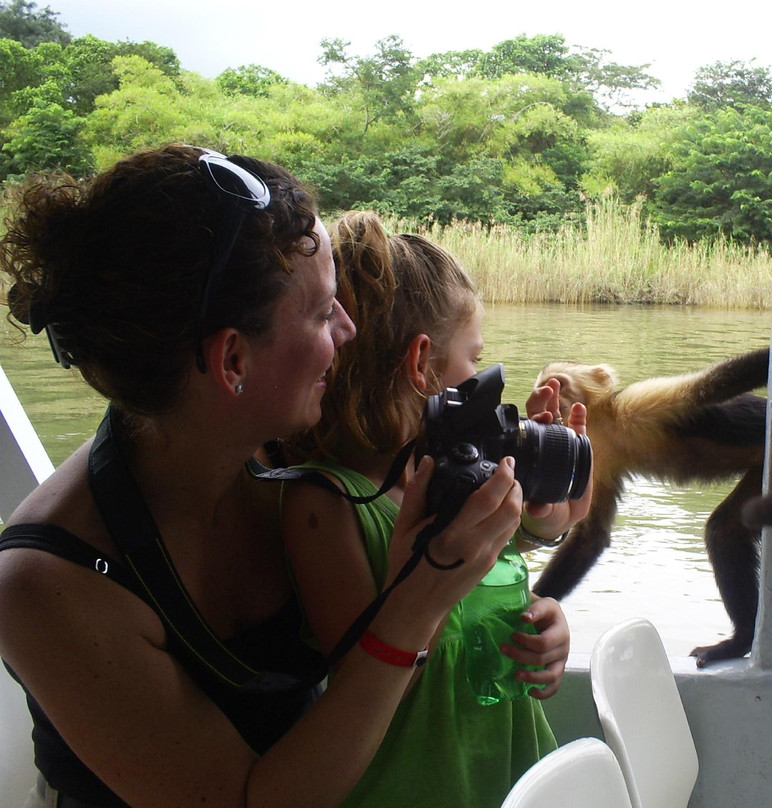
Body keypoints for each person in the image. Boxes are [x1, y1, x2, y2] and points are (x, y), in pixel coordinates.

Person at [0, 145, 526, 808]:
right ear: (232, 359)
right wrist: (410, 609)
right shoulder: (47, 585)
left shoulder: (289, 453)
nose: (348, 328)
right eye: (320, 312)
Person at [280, 210, 590, 808]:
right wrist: (413, 584)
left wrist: (541, 619)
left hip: (500, 773)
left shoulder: (438, 484)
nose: (483, 382)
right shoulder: (327, 505)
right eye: (475, 360)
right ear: (424, 365)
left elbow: (480, 600)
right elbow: (370, 697)